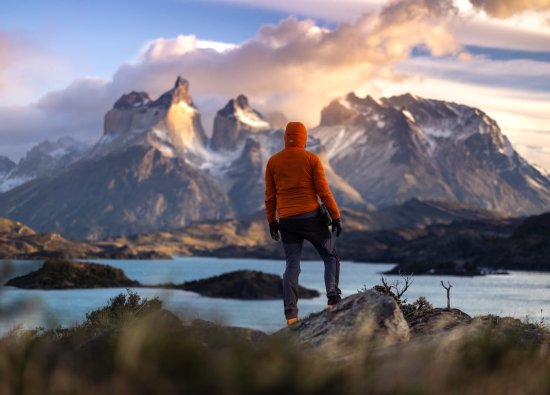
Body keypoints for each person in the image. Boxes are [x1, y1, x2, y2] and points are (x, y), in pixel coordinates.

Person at [265, 121, 342, 326]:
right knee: (330, 256)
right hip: (311, 218)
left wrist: (272, 221)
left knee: (292, 265)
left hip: (287, 221)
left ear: (286, 137)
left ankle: (291, 314)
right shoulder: (311, 159)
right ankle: (333, 300)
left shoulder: (273, 162)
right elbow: (324, 192)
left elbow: (270, 197)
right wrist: (336, 217)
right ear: (303, 138)